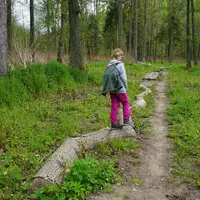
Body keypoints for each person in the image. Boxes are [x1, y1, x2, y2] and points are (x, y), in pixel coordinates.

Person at [103, 48, 134, 129]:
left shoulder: (109, 65)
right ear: (118, 55)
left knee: (114, 104)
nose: (122, 57)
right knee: (126, 103)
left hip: (112, 88)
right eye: (121, 55)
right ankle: (127, 120)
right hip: (120, 88)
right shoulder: (120, 65)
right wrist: (125, 86)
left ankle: (113, 123)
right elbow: (123, 78)